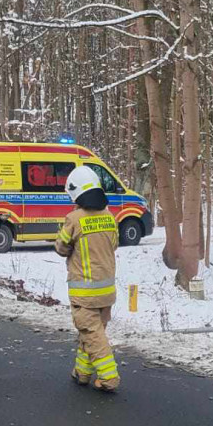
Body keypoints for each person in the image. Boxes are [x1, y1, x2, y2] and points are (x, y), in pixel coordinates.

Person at [54, 166, 120, 392]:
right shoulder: (109, 216)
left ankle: (109, 378)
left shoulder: (73, 218)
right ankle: (82, 373)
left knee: (93, 335)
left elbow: (61, 248)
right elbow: (114, 245)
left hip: (84, 293)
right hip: (107, 291)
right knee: (91, 333)